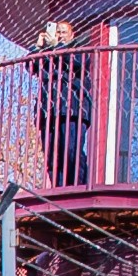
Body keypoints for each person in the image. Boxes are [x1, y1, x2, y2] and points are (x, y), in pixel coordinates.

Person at [32, 19, 92, 187]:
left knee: (72, 151)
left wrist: (57, 48)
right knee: (52, 155)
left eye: (63, 32)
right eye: (57, 32)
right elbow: (31, 66)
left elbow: (79, 63)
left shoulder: (79, 50)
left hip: (72, 110)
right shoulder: (49, 56)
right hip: (48, 111)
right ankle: (58, 188)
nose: (59, 35)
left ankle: (79, 186)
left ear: (72, 35)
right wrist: (38, 48)